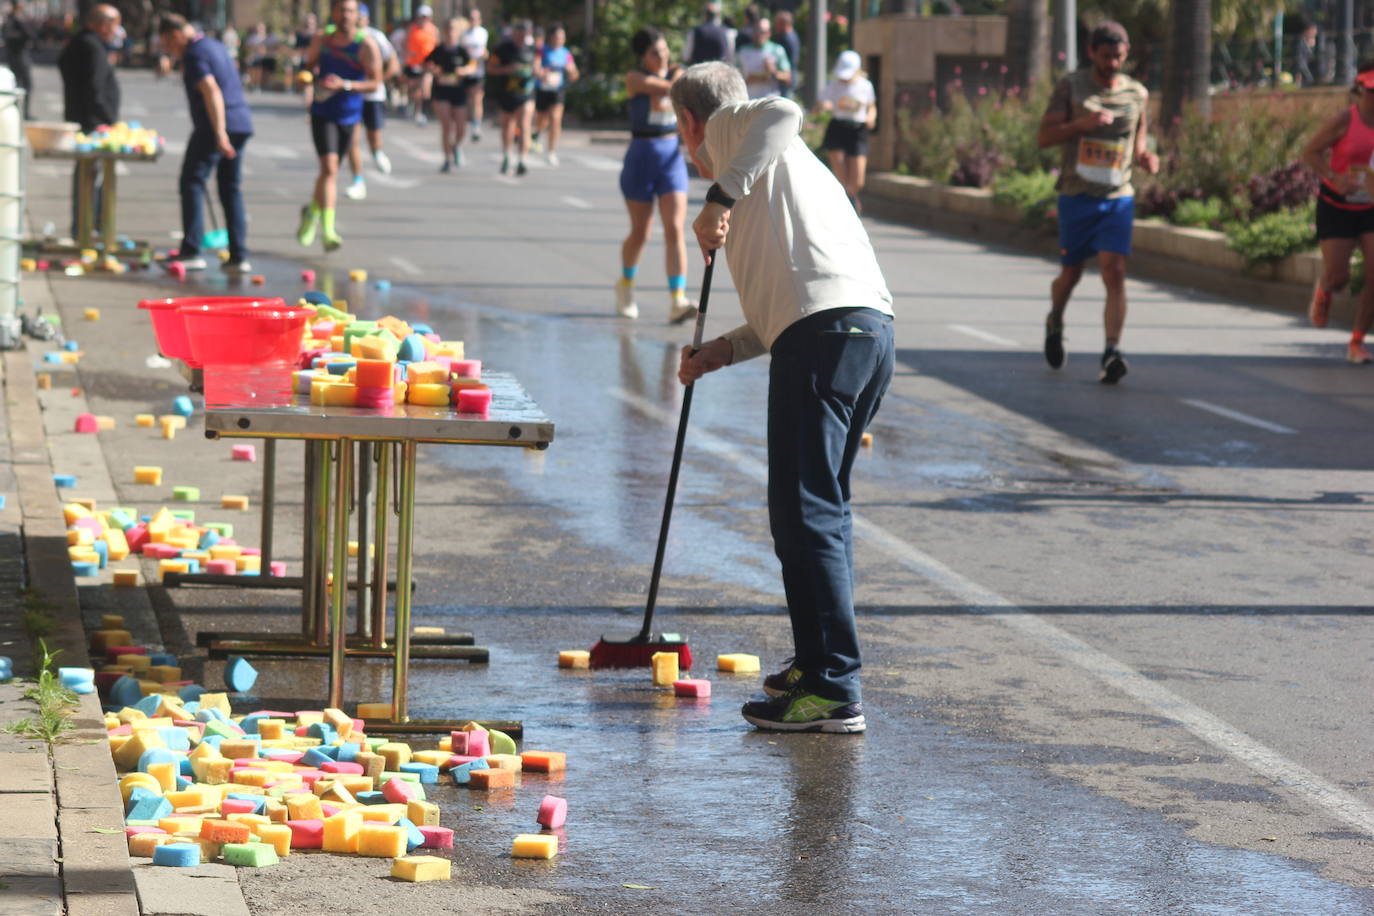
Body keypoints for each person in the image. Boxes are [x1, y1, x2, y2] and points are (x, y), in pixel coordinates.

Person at [670, 62, 894, 734]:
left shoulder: (735, 128)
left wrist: (717, 195)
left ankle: (832, 686)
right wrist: (721, 351)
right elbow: (787, 307)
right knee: (815, 511)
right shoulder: (773, 172)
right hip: (860, 330)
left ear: (689, 124)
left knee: (804, 512)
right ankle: (819, 663)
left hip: (829, 336)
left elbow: (787, 110)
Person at [1036, 21, 1157, 384]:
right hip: (1077, 196)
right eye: (1106, 57)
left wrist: (1147, 158)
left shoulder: (1137, 93)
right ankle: (1055, 319)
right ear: (1092, 53)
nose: (1113, 64)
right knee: (1071, 274)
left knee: (1114, 271)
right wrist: (1082, 124)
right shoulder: (1071, 86)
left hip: (1118, 196)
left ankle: (1111, 350)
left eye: (1119, 57)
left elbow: (1138, 143)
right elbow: (1044, 137)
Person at [158, 14, 253, 274]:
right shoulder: (214, 44)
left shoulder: (194, 53)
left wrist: (219, 132)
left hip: (216, 125)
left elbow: (211, 89)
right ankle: (238, 255)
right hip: (241, 120)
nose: (170, 51)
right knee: (230, 189)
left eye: (168, 45)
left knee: (191, 181)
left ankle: (191, 250)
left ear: (175, 35)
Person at [616, 26, 696, 323]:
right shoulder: (634, 79)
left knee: (675, 228)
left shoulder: (677, 72)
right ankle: (625, 285)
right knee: (641, 232)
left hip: (670, 157)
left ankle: (678, 298)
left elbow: (677, 82)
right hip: (641, 157)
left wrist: (676, 76)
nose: (662, 55)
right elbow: (669, 88)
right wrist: (674, 80)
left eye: (664, 49)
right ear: (642, 57)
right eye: (654, 52)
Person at [1300, 63, 1374, 364]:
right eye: (1371, 91)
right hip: (1337, 206)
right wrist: (1334, 177)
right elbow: (1310, 152)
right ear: (1360, 91)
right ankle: (1326, 289)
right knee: (1339, 275)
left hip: (1371, 206)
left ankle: (1357, 342)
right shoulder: (1346, 119)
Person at [298, 0, 382, 252]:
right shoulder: (322, 40)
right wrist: (308, 77)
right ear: (333, 13)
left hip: (349, 115)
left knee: (328, 173)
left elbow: (375, 83)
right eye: (341, 10)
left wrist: (345, 85)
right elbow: (309, 67)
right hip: (323, 111)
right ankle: (329, 231)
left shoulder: (366, 45)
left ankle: (311, 213)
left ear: (357, 16)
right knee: (330, 168)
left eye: (350, 11)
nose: (345, 15)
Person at [57, 4, 120, 239]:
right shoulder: (92, 46)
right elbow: (95, 88)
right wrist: (108, 118)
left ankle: (86, 226)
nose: (116, 29)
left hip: (85, 118)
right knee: (90, 175)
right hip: (93, 122)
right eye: (114, 24)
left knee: (88, 174)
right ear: (102, 24)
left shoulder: (82, 42)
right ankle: (88, 227)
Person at [344, 2, 397, 200]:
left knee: (374, 137)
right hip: (352, 95)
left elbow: (393, 61)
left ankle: (377, 152)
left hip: (373, 96)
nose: (358, 20)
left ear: (366, 18)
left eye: (361, 16)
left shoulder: (375, 37)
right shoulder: (343, 38)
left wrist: (379, 79)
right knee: (352, 140)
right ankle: (358, 180)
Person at [816, 50, 875, 211]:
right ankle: (846, 205)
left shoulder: (865, 86)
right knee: (840, 174)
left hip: (857, 130)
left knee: (857, 180)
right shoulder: (834, 85)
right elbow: (820, 103)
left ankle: (851, 196)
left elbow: (871, 106)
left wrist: (871, 117)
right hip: (838, 127)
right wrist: (824, 106)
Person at [488, 18, 537, 176]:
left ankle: (522, 159)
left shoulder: (532, 49)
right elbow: (491, 68)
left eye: (525, 35)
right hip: (507, 93)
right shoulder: (503, 48)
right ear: (514, 33)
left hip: (526, 93)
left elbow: (537, 67)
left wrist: (538, 73)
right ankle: (507, 155)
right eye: (519, 34)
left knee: (524, 125)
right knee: (507, 127)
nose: (521, 38)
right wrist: (508, 69)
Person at [426, 16, 474, 171]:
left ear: (458, 32)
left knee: (461, 128)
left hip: (458, 91)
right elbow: (426, 64)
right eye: (447, 29)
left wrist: (464, 70)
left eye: (453, 29)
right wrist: (433, 70)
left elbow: (473, 65)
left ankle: (456, 146)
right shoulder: (438, 50)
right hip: (441, 92)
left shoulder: (462, 51)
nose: (450, 33)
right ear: (444, 32)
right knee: (447, 126)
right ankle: (447, 159)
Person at [533, 23, 577, 166]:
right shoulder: (542, 51)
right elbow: (536, 67)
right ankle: (537, 133)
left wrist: (571, 72)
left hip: (558, 90)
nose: (560, 40)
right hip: (543, 89)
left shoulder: (566, 53)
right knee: (541, 120)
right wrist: (542, 74)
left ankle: (551, 151)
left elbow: (575, 74)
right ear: (551, 37)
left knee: (555, 119)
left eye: (562, 37)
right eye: (558, 37)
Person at [735, 18, 790, 100]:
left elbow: (787, 77)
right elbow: (735, 77)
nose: (759, 34)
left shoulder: (777, 50)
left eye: (763, 32)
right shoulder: (743, 51)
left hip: (770, 99)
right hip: (749, 100)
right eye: (757, 30)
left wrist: (773, 72)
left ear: (769, 33)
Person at [403, 6, 438, 124]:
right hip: (414, 63)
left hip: (428, 64)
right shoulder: (412, 29)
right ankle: (412, 105)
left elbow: (437, 46)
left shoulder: (433, 30)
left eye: (426, 17)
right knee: (413, 88)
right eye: (422, 17)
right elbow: (405, 43)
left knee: (425, 89)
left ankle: (420, 112)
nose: (424, 19)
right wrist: (407, 54)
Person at [4, 1, 38, 119]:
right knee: (20, 84)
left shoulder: (18, 18)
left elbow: (32, 35)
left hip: (21, 54)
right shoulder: (14, 19)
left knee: (25, 85)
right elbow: (8, 35)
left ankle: (24, 112)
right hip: (18, 55)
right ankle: (18, 112)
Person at [461, 7, 489, 141]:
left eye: (476, 19)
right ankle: (467, 123)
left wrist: (484, 56)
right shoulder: (464, 35)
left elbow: (485, 51)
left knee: (477, 99)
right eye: (471, 19)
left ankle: (476, 126)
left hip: (478, 71)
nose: (473, 21)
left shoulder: (483, 33)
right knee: (467, 100)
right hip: (466, 71)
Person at [684, 0, 732, 66]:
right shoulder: (725, 32)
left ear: (704, 15)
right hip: (718, 72)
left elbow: (686, 56)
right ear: (717, 15)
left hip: (698, 72)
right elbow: (729, 56)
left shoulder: (695, 31)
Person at [773, 11, 801, 97]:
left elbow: (789, 60)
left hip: (786, 76)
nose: (776, 26)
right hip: (789, 75)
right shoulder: (792, 35)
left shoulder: (787, 39)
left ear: (784, 24)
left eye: (778, 24)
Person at [1296, 24, 1318, 88]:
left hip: (1313, 64)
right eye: (1312, 31)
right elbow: (1299, 57)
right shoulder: (1301, 42)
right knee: (1309, 78)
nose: (1314, 32)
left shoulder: (1318, 41)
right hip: (1304, 64)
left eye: (1314, 31)